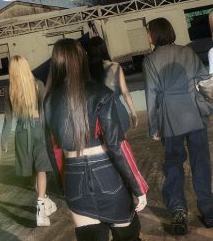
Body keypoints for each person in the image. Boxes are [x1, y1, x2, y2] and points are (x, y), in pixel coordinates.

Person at [44, 39, 147, 241]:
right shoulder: (101, 93)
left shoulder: (49, 101)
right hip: (108, 175)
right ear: (82, 60)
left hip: (74, 179)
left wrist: (64, 186)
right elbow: (117, 145)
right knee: (128, 237)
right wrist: (138, 186)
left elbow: (53, 150)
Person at [143, 17, 213, 234]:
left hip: (169, 119)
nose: (147, 36)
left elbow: (151, 95)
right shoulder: (188, 52)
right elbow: (205, 80)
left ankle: (178, 210)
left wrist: (154, 127)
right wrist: (208, 106)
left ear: (154, 34)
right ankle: (209, 211)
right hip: (194, 115)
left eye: (148, 32)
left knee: (173, 164)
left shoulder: (150, 60)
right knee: (201, 163)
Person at [1, 55, 57, 227]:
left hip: (21, 133)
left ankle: (44, 201)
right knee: (41, 169)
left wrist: (3, 141)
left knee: (34, 170)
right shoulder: (38, 85)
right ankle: (41, 206)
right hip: (39, 128)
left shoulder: (9, 90)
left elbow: (8, 119)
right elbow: (46, 111)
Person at [84, 36, 138, 132]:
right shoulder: (116, 67)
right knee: (121, 140)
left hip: (97, 117)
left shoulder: (86, 72)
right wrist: (133, 114)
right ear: (104, 50)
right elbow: (125, 93)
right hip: (117, 112)